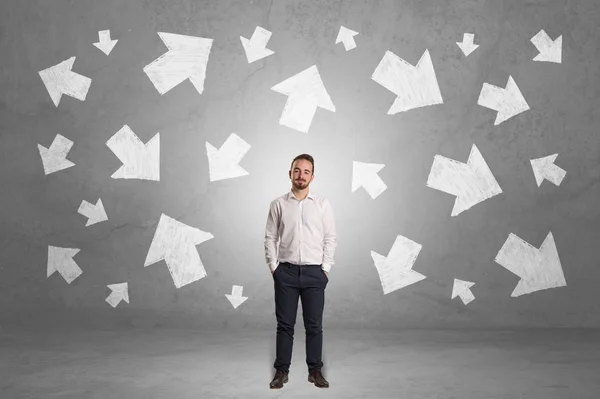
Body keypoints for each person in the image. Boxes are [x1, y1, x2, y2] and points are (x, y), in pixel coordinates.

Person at [264, 153, 337, 389]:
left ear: (312, 177)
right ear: (290, 173)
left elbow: (330, 238)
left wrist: (325, 269)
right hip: (285, 272)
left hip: (315, 273)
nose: (301, 175)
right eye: (297, 170)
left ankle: (315, 370)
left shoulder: (323, 205)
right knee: (284, 325)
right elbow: (270, 237)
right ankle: (281, 371)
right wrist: (274, 268)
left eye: (306, 171)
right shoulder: (278, 204)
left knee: (314, 325)